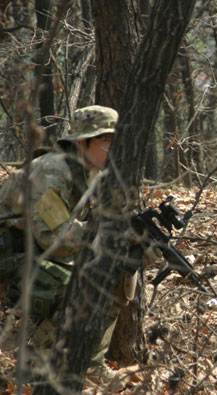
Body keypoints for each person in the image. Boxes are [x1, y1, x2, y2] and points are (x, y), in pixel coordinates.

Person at [0, 105, 137, 375]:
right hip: (10, 254)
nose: (112, 148)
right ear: (83, 141)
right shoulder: (52, 171)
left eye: (114, 140)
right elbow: (56, 239)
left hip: (38, 251)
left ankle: (92, 364)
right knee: (75, 287)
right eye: (105, 140)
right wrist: (109, 238)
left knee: (118, 277)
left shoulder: (94, 172)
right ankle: (32, 369)